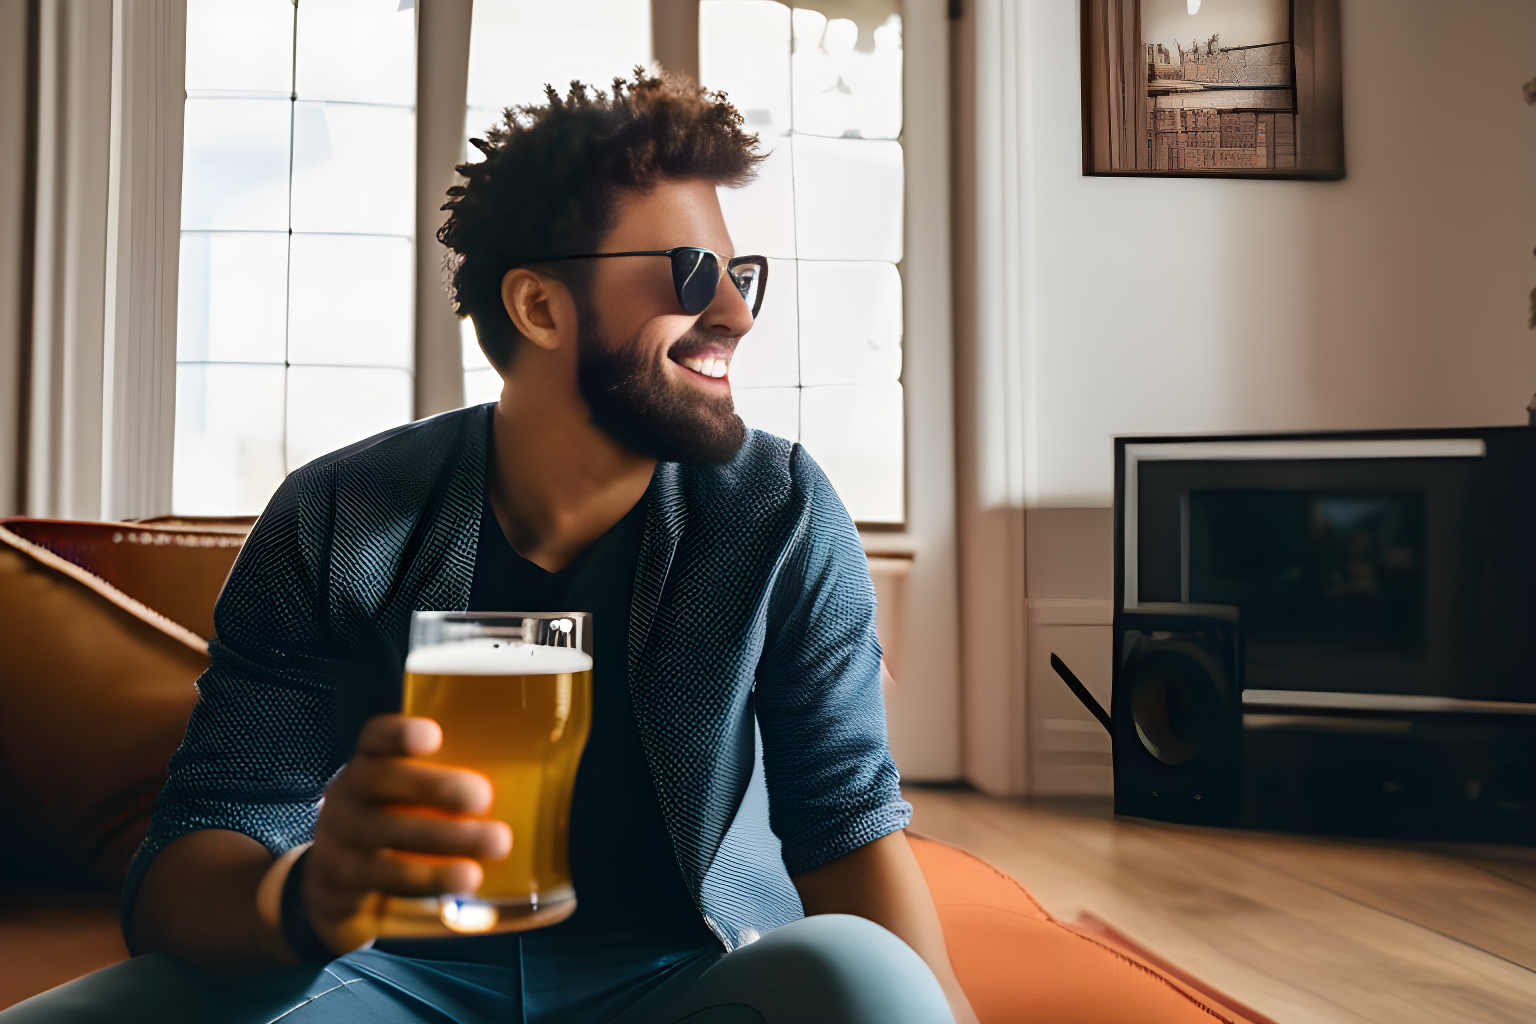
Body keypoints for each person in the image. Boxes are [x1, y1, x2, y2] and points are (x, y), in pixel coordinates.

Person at [1, 72, 977, 1024]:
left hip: (688, 979)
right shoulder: (337, 516)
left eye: (740, 274)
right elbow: (194, 850)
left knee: (867, 977)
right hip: (392, 980)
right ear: (540, 307)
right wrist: (306, 897)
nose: (737, 312)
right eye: (690, 273)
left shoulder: (779, 512)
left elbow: (849, 833)